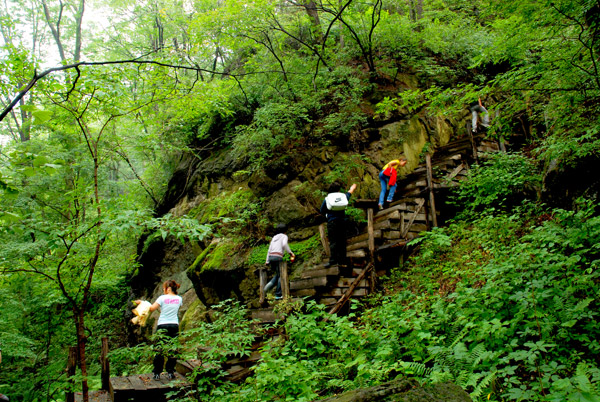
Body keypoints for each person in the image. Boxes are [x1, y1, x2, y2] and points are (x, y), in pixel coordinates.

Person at [136, 280, 182, 381]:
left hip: (163, 325)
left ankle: (157, 373)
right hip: (174, 325)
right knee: (172, 349)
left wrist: (141, 303)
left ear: (168, 288)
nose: (163, 290)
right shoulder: (179, 299)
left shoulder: (162, 298)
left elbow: (151, 308)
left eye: (164, 288)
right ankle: (170, 372)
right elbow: (173, 309)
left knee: (159, 349)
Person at [320, 182, 357, 267]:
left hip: (332, 222)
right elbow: (349, 193)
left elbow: (322, 210)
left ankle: (333, 261)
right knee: (342, 241)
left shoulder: (328, 198)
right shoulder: (343, 197)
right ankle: (343, 260)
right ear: (338, 190)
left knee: (333, 241)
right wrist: (353, 187)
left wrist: (328, 214)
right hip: (342, 221)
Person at [264, 223, 295, 300]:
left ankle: (265, 289)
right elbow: (284, 244)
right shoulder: (284, 236)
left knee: (278, 275)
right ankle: (278, 294)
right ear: (285, 230)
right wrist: (290, 253)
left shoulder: (274, 237)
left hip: (271, 257)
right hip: (278, 257)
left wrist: (267, 260)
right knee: (281, 275)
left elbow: (269, 249)